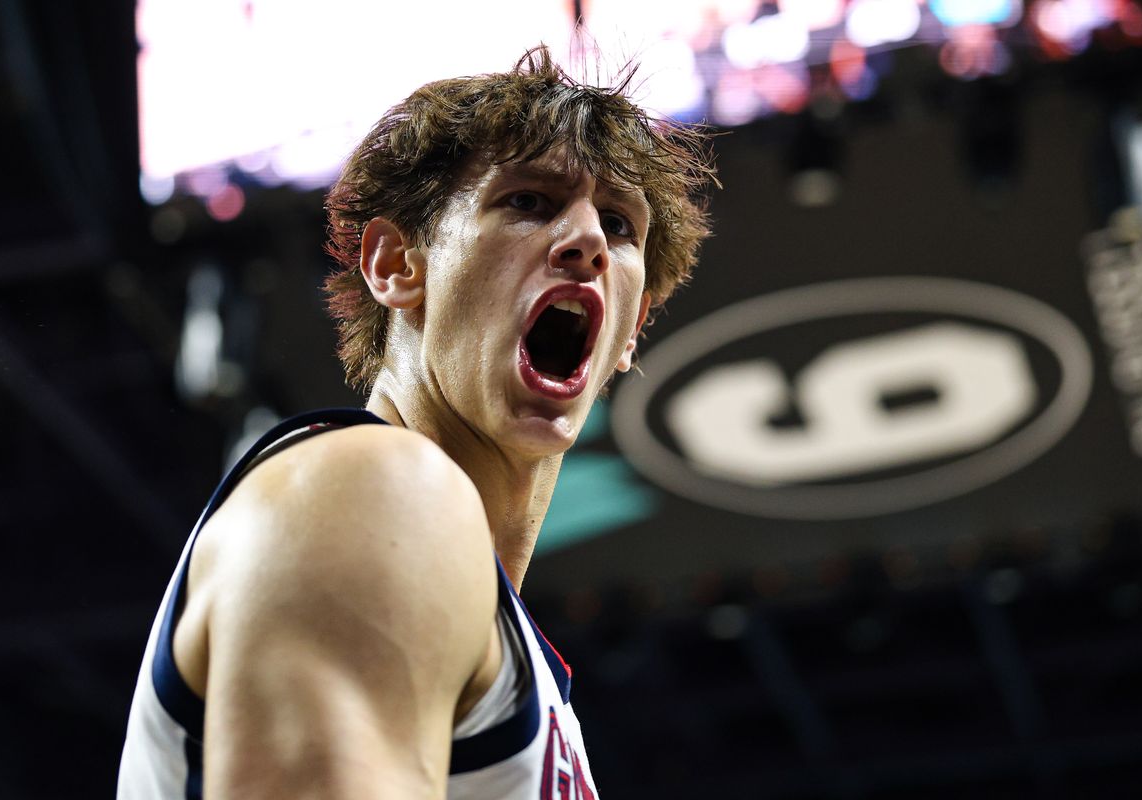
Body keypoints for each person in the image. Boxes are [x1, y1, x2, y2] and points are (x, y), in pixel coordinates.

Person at [117, 45, 715, 799]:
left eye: (621, 226)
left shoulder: (495, 631)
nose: (589, 240)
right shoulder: (374, 488)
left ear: (631, 334)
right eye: (528, 201)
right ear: (397, 264)